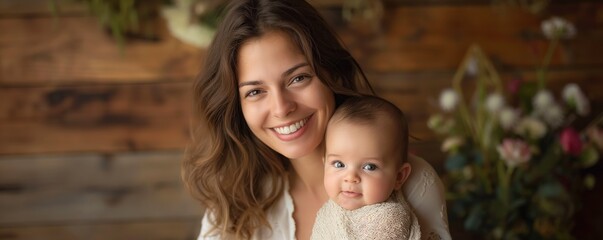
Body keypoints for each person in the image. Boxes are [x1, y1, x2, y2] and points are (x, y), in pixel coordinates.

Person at [182, 0, 451, 239]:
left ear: (330, 73)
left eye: (298, 78)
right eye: (255, 91)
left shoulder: (412, 183)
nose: (281, 108)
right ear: (236, 106)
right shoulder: (233, 202)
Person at [311, 96, 421, 240]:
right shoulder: (330, 211)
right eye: (339, 164)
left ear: (399, 176)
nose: (350, 177)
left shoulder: (389, 219)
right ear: (324, 164)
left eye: (369, 167)